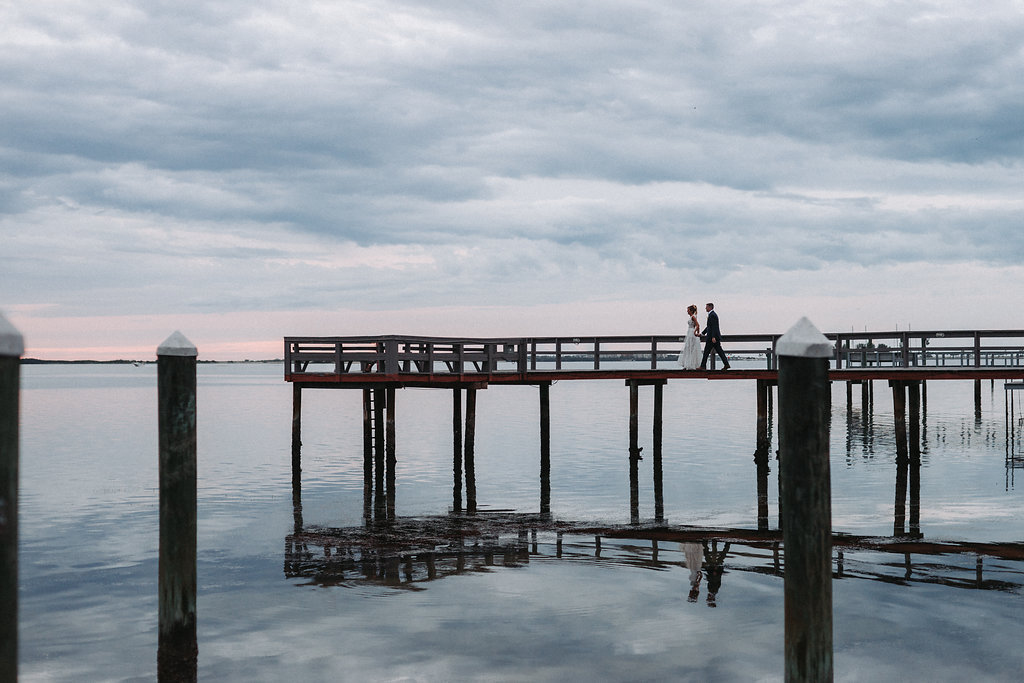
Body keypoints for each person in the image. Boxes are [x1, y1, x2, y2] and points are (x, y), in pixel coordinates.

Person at [699, 302, 730, 370]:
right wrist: (702, 334)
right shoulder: (712, 315)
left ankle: (703, 366)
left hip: (712, 338)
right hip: (713, 337)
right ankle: (726, 364)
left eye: (706, 307)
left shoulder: (712, 315)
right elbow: (709, 327)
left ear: (710, 307)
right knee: (719, 351)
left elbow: (714, 327)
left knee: (706, 352)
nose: (705, 308)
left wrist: (713, 336)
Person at [676, 304, 702, 369]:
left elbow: (698, 325)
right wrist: (697, 332)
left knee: (689, 348)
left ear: (690, 310)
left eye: (688, 310)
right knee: (688, 349)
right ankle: (688, 364)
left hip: (691, 332)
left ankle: (690, 364)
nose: (687, 311)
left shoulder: (693, 317)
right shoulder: (693, 317)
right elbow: (697, 326)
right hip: (690, 332)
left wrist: (695, 331)